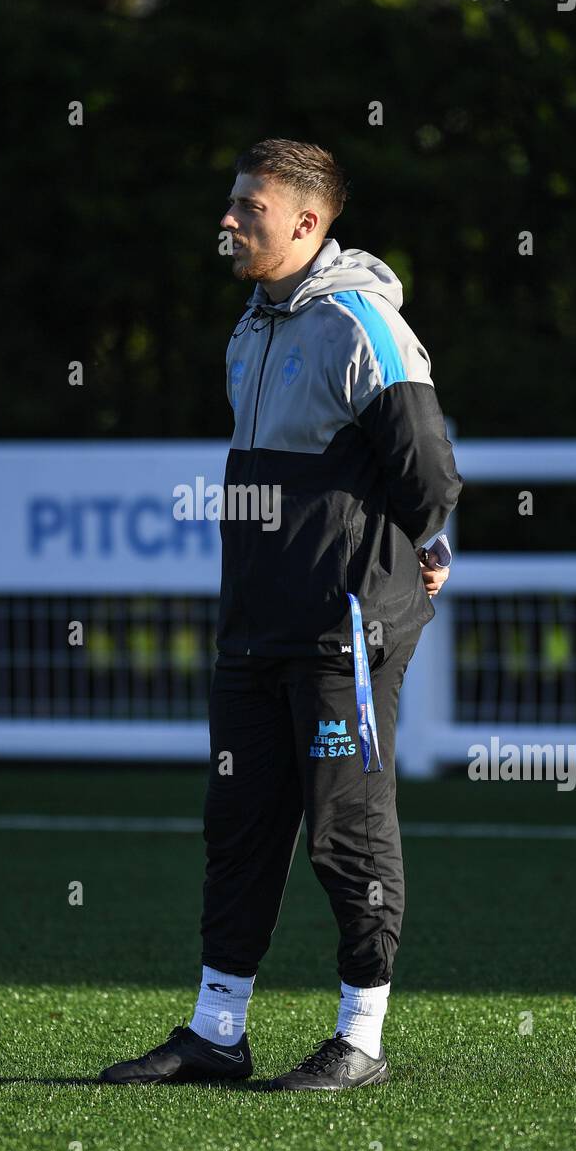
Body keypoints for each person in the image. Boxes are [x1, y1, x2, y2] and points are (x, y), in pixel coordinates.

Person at [99, 138, 463, 1090]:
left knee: (346, 832)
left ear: (307, 222)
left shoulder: (363, 324)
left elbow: (429, 472)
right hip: (254, 628)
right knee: (241, 825)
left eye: (247, 207)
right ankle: (218, 1033)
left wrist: (415, 556)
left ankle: (362, 1041)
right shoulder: (251, 325)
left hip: (342, 630)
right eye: (231, 202)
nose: (227, 219)